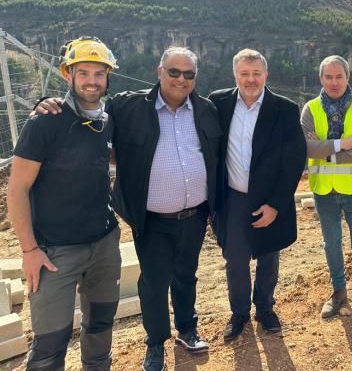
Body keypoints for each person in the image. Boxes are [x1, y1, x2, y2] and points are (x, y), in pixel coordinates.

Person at [37, 46, 222, 371]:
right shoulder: (128, 106)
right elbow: (89, 111)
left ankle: (187, 330)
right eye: (174, 72)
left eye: (189, 74)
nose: (181, 79)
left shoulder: (205, 110)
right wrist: (49, 103)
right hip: (150, 219)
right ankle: (155, 345)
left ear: (195, 78)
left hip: (195, 216)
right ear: (159, 71)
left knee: (185, 276)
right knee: (153, 283)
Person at [7, 37, 121, 370]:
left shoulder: (106, 120)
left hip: (103, 242)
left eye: (99, 74)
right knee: (50, 345)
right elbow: (17, 188)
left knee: (100, 328)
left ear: (107, 78)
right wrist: (29, 250)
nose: (91, 81)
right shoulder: (46, 120)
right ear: (67, 74)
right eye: (83, 72)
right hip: (54, 252)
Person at [209, 49, 306, 341]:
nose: (250, 80)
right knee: (235, 260)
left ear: (266, 75)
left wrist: (276, 205)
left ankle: (264, 308)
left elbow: (294, 159)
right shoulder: (218, 102)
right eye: (244, 74)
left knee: (268, 257)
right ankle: (238, 314)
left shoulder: (285, 109)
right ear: (235, 75)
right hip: (233, 199)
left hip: (269, 199)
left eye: (256, 73)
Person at [301, 55, 352, 331]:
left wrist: (327, 151)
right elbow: (308, 149)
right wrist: (342, 144)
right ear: (321, 79)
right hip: (324, 190)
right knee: (331, 245)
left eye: (339, 77)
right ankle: (338, 293)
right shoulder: (310, 109)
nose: (334, 83)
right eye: (328, 77)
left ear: (348, 78)